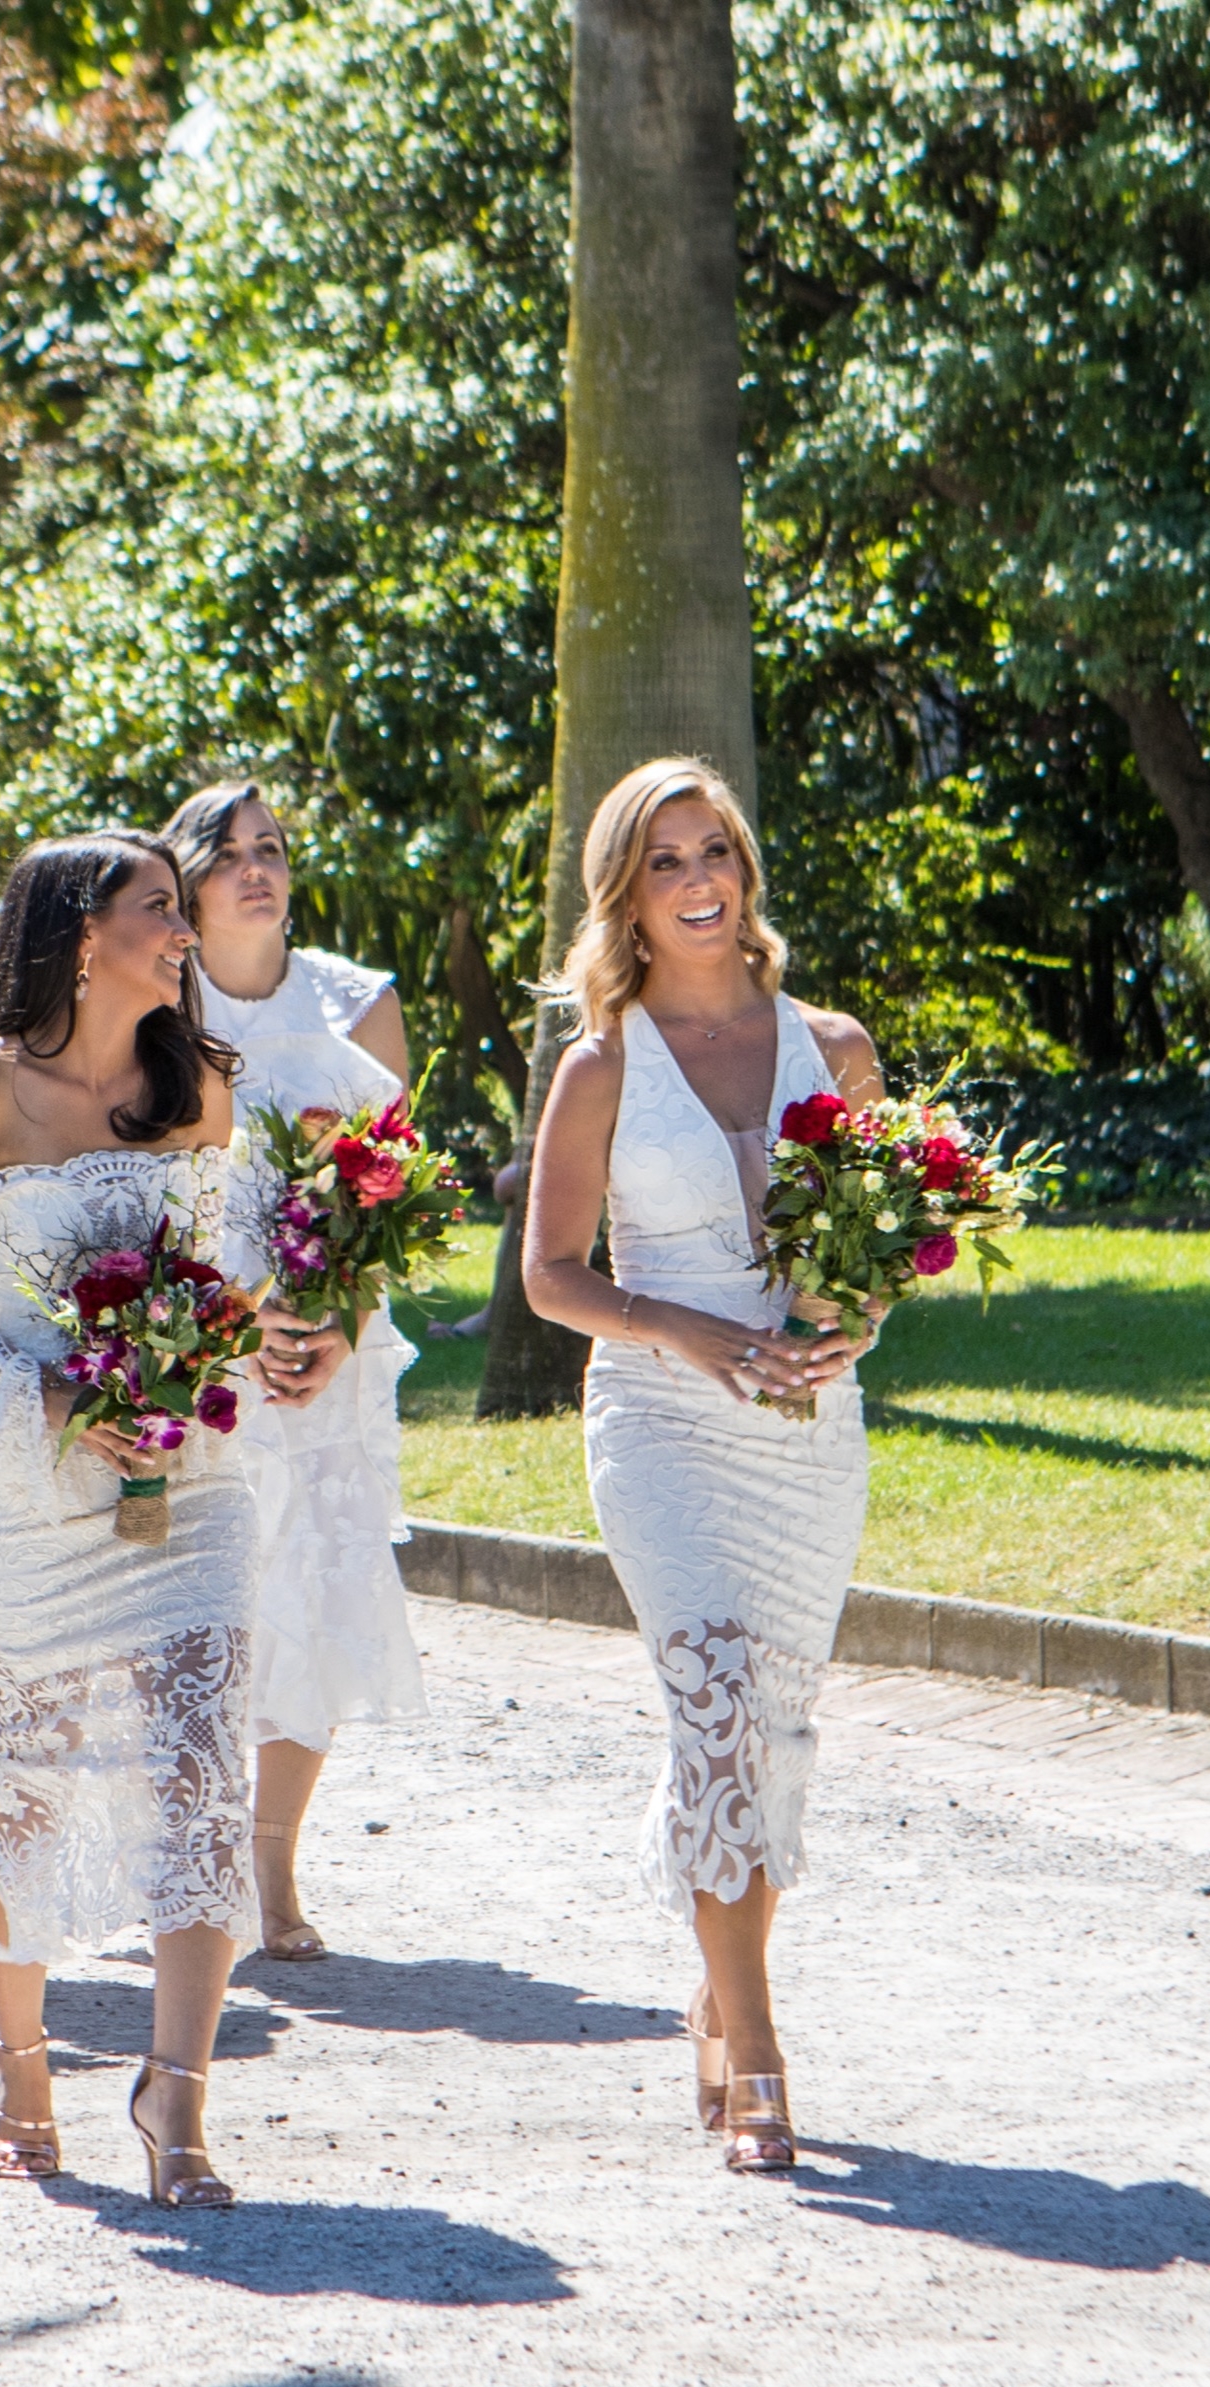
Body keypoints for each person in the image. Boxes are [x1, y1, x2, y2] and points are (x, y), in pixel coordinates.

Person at [0, 833, 333, 2207]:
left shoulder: (197, 1085)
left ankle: (176, 2100)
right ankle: (23, 2072)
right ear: (85, 934)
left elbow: (204, 1278)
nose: (186, 933)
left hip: (184, 1492)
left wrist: (237, 1348)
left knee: (203, 1776)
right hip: (24, 1498)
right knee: (27, 1785)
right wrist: (48, 1392)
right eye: (160, 910)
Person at [518, 756, 882, 2174]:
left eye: (713, 850)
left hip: (804, 1429)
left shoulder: (832, 1046)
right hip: (662, 1424)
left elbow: (878, 1244)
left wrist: (854, 1322)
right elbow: (551, 1274)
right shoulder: (601, 1063)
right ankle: (763, 2051)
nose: (698, 882)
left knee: (775, 1730)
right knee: (717, 1714)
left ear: (744, 867)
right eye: (664, 861)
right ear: (626, 893)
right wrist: (677, 1324)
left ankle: (719, 2000)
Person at [158, 781, 425, 1961]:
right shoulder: (154, 1003)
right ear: (187, 879)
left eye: (269, 848)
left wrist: (342, 1320)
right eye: (227, 854)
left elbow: (393, 1192)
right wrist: (233, 1322)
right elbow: (134, 1190)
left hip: (328, 1359)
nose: (256, 869)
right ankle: (193, 1851)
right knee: (203, 1602)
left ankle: (272, 1863)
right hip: (198, 1347)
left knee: (311, 1593)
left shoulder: (359, 1005)